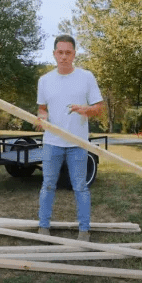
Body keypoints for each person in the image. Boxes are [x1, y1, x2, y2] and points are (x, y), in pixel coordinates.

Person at [35, 35, 105, 241]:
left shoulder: (86, 77)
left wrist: (86, 109)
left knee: (80, 186)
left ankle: (84, 229)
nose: (64, 56)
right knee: (48, 185)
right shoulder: (44, 80)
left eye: (68, 52)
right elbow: (42, 109)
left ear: (74, 54)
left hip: (78, 143)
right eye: (60, 52)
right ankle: (43, 226)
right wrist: (42, 119)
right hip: (52, 143)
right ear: (54, 54)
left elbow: (99, 109)